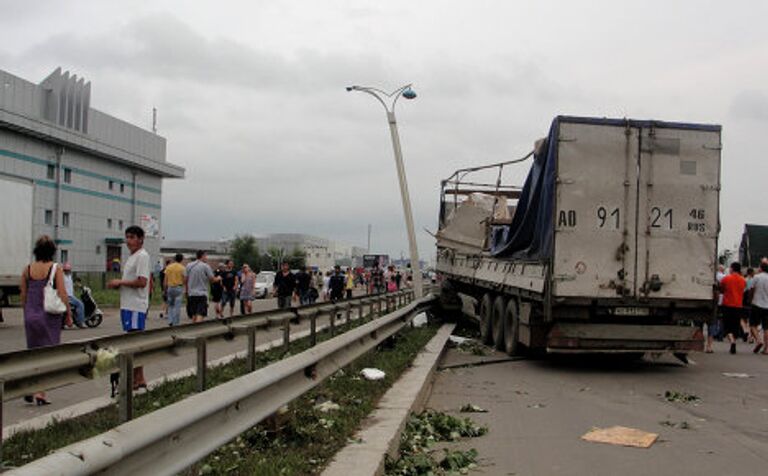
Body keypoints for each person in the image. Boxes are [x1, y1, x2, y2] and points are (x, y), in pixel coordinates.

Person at [20, 235, 72, 404]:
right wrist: (68, 314)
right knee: (48, 356)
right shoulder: (55, 268)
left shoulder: (27, 269)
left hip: (31, 316)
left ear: (36, 251)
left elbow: (23, 295)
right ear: (52, 252)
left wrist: (26, 312)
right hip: (48, 317)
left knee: (33, 354)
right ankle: (40, 393)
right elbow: (63, 293)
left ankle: (29, 388)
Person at [107, 226, 151, 389]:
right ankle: (139, 378)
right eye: (127, 237)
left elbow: (142, 282)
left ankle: (136, 379)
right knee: (133, 340)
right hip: (128, 304)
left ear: (140, 239)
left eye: (132, 237)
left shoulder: (142, 256)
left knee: (134, 342)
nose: (129, 241)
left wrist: (121, 282)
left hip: (136, 306)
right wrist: (120, 285)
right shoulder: (132, 257)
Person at [185, 250, 221, 322]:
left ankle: (193, 330)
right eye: (206, 256)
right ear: (203, 256)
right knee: (200, 314)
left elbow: (185, 279)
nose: (206, 258)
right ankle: (198, 331)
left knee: (194, 315)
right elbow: (212, 279)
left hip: (191, 294)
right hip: (202, 294)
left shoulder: (189, 265)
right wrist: (218, 278)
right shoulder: (205, 266)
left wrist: (186, 291)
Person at [720, 262, 747, 354]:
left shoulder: (726, 278)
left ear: (732, 268)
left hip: (727, 305)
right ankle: (734, 340)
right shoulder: (743, 280)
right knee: (735, 326)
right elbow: (743, 290)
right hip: (738, 306)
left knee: (727, 326)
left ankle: (732, 341)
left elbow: (722, 290)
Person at [749, 261, 768, 354]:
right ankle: (766, 349)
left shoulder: (756, 277)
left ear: (761, 268)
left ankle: (759, 340)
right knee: (766, 328)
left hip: (756, 304)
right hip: (767, 306)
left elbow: (751, 289)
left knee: (752, 325)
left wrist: (750, 299)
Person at [164, 253, 185, 326]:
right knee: (177, 306)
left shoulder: (169, 267)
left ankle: (170, 320)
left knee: (170, 305)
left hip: (170, 288)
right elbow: (184, 279)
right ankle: (176, 322)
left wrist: (165, 289)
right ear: (181, 259)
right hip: (178, 288)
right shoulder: (182, 268)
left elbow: (165, 279)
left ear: (175, 259)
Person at [62, 262, 85, 328]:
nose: (67, 271)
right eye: (66, 270)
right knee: (80, 304)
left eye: (68, 270)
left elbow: (70, 285)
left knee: (77, 303)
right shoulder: (63, 276)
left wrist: (78, 286)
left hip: (70, 296)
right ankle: (80, 322)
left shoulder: (68, 276)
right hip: (68, 296)